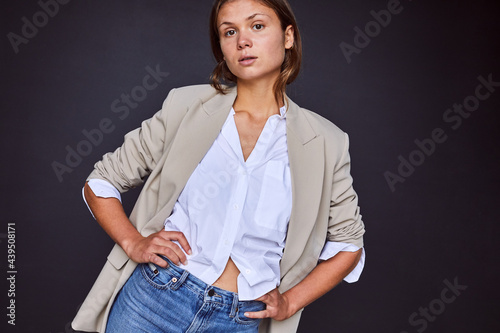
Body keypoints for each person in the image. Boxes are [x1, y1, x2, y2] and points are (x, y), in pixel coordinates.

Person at [72, 0, 366, 332]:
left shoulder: (326, 141)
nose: (243, 41)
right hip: (153, 300)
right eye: (229, 31)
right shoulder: (185, 107)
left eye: (257, 26)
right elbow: (101, 181)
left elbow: (349, 243)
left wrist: (291, 300)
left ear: (288, 37)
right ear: (222, 48)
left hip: (238, 319)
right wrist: (134, 242)